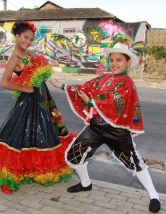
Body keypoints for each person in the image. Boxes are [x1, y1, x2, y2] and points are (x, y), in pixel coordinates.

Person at [49, 42, 161, 213]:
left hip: (117, 131)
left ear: (128, 62)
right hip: (96, 128)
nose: (114, 63)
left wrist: (91, 102)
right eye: (111, 60)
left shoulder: (128, 84)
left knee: (134, 163)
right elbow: (85, 88)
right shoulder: (104, 79)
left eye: (119, 60)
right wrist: (63, 86)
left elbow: (113, 103)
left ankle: (154, 196)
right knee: (74, 155)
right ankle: (86, 184)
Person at [0, 21, 76, 195]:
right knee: (18, 138)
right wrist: (26, 88)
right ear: (17, 36)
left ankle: (32, 170)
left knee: (42, 134)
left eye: (30, 38)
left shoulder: (28, 53)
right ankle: (8, 178)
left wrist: (40, 77)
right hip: (27, 102)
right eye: (25, 37)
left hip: (42, 99)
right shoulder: (15, 57)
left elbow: (40, 66)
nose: (28, 41)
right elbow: (4, 82)